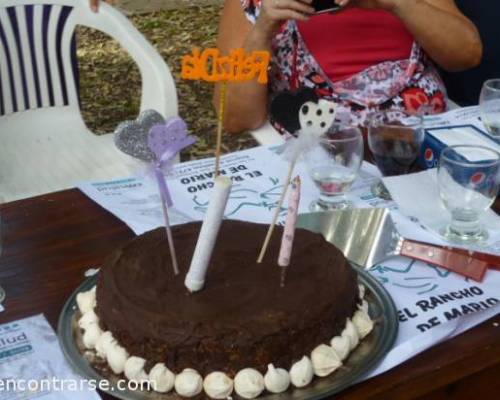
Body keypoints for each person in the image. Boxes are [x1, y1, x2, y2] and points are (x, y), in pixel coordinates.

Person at [214, 0, 483, 133]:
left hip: (428, 146)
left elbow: (466, 54)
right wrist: (262, 29)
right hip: (323, 164)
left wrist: (399, 4)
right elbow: (236, 118)